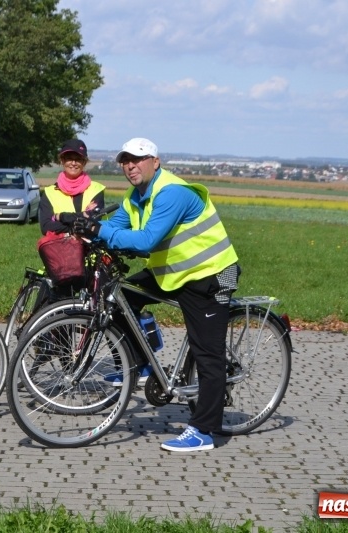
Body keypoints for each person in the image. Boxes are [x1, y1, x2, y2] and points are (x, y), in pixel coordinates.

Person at [72, 137, 240, 453]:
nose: (130, 166)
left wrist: (99, 231)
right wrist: (87, 226)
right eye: (125, 161)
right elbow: (117, 227)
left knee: (207, 352)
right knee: (123, 299)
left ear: (155, 161)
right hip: (174, 272)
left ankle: (204, 430)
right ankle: (142, 365)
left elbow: (146, 241)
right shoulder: (136, 196)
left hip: (211, 275)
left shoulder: (171, 193)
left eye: (137, 159)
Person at [38, 139, 105, 297]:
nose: (73, 162)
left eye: (78, 158)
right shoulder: (49, 192)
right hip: (61, 260)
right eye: (69, 158)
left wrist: (61, 217)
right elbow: (46, 226)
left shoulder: (96, 189)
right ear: (62, 161)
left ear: (84, 162)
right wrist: (79, 222)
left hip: (91, 260)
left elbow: (93, 222)